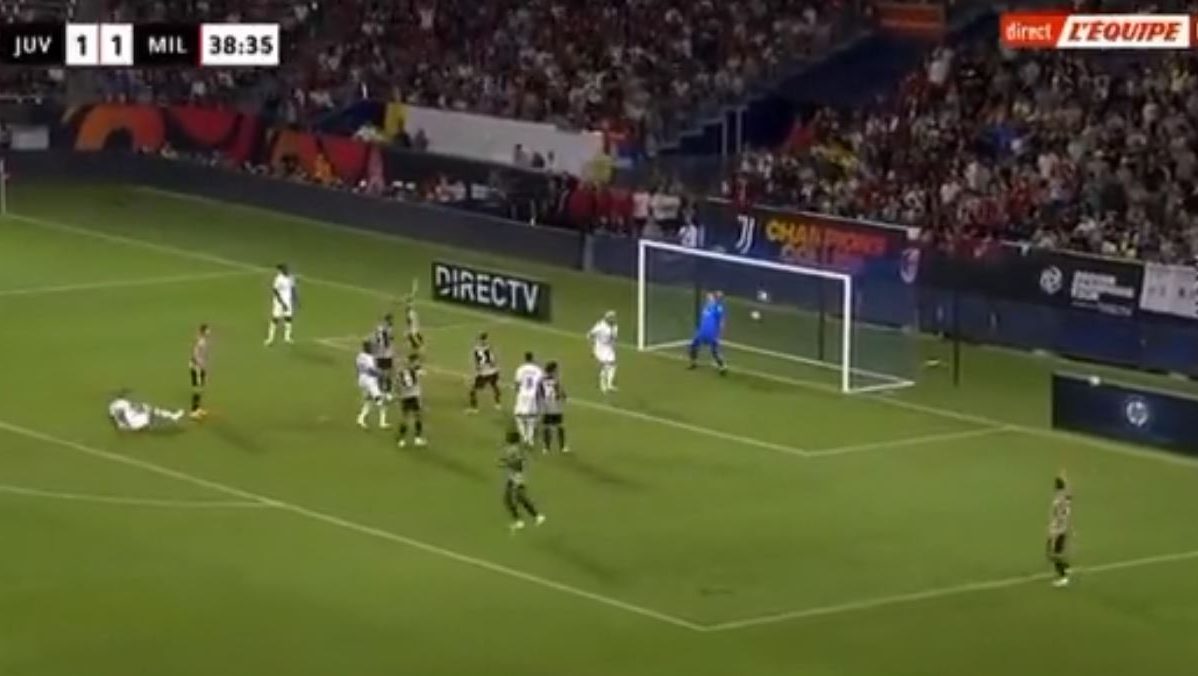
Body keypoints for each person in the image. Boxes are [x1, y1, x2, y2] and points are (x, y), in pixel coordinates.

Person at [500, 430, 546, 531]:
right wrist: (505, 462)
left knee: (511, 499)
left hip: (516, 477)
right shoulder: (514, 449)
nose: (506, 438)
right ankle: (535, 517)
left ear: (511, 439)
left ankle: (523, 520)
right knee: (518, 498)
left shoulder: (514, 450)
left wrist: (506, 464)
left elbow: (518, 464)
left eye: (507, 436)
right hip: (514, 477)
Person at [689, 291, 727, 373]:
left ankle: (722, 367)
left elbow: (721, 321)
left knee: (714, 351)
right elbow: (704, 318)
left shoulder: (718, 307)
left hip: (711, 332)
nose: (708, 297)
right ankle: (693, 363)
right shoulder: (707, 306)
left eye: (711, 296)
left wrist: (718, 332)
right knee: (693, 346)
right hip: (702, 330)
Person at [108, 390, 184, 431]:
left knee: (149, 412)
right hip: (132, 423)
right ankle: (172, 416)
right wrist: (141, 407)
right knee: (151, 411)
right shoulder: (123, 403)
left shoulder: (112, 406)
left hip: (126, 427)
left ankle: (171, 416)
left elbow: (113, 418)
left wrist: (121, 426)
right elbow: (134, 408)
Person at [355, 340, 389, 430]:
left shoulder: (359, 356)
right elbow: (371, 370)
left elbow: (357, 368)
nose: (372, 348)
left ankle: (360, 419)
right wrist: (380, 374)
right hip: (370, 381)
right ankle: (382, 423)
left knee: (368, 401)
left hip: (362, 380)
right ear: (367, 348)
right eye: (371, 347)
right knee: (382, 401)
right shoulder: (369, 357)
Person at [1047, 475, 1073, 587]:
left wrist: (1053, 532)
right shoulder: (1065, 497)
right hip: (1062, 528)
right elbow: (1069, 494)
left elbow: (1058, 517)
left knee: (1053, 554)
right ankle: (1066, 567)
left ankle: (1063, 577)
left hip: (1058, 530)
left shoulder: (1059, 500)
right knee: (1054, 553)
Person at [396, 353, 427, 447]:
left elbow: (398, 384)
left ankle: (402, 440)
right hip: (413, 397)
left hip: (405, 397)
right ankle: (417, 439)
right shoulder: (413, 372)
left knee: (406, 418)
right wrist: (417, 373)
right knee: (417, 417)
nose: (418, 363)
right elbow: (410, 383)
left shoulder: (402, 371)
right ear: (412, 362)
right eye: (416, 361)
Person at [513, 352, 543, 446]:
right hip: (533, 395)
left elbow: (517, 384)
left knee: (518, 417)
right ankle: (530, 439)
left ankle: (524, 437)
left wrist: (517, 392)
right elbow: (540, 385)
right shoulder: (538, 370)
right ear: (532, 358)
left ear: (525, 358)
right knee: (531, 418)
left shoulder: (520, 369)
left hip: (522, 395)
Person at [468, 332, 502, 412]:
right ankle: (498, 404)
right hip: (493, 371)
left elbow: (477, 363)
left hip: (483, 373)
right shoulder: (489, 348)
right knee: (495, 386)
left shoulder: (476, 349)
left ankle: (474, 408)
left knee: (473, 390)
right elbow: (493, 360)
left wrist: (478, 371)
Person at [539, 361, 568, 453]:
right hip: (555, 406)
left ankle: (546, 447)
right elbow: (561, 392)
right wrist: (564, 396)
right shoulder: (556, 380)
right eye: (556, 369)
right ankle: (562, 447)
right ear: (553, 370)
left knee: (547, 426)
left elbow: (540, 393)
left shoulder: (542, 380)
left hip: (546, 406)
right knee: (559, 426)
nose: (558, 370)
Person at [264, 263, 297, 345]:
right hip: (279, 303)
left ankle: (287, 338)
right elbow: (275, 291)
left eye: (287, 269)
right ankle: (270, 339)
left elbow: (293, 288)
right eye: (285, 269)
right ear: (282, 270)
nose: (287, 270)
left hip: (288, 301)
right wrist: (282, 303)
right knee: (275, 319)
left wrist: (295, 299)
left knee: (288, 318)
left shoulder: (291, 277)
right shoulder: (278, 279)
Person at [588, 310, 618, 393]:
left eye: (614, 317)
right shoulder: (600, 326)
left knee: (613, 365)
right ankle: (603, 385)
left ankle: (609, 384)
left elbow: (614, 338)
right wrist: (592, 349)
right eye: (612, 317)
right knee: (605, 366)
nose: (614, 319)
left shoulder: (615, 326)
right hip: (600, 347)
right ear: (607, 318)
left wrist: (614, 346)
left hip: (609, 348)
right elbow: (590, 335)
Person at [189, 323, 211, 420]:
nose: (209, 332)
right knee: (197, 389)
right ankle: (193, 411)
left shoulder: (203, 340)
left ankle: (198, 408)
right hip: (196, 367)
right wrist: (199, 366)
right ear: (204, 331)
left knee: (201, 387)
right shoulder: (200, 341)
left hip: (201, 367)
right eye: (207, 330)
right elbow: (195, 355)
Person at [373, 313, 396, 395]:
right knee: (388, 372)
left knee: (380, 371)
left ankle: (380, 389)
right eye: (391, 319)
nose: (392, 321)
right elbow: (389, 339)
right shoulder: (388, 328)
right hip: (386, 353)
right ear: (388, 320)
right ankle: (388, 391)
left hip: (379, 352)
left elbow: (376, 338)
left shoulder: (379, 328)